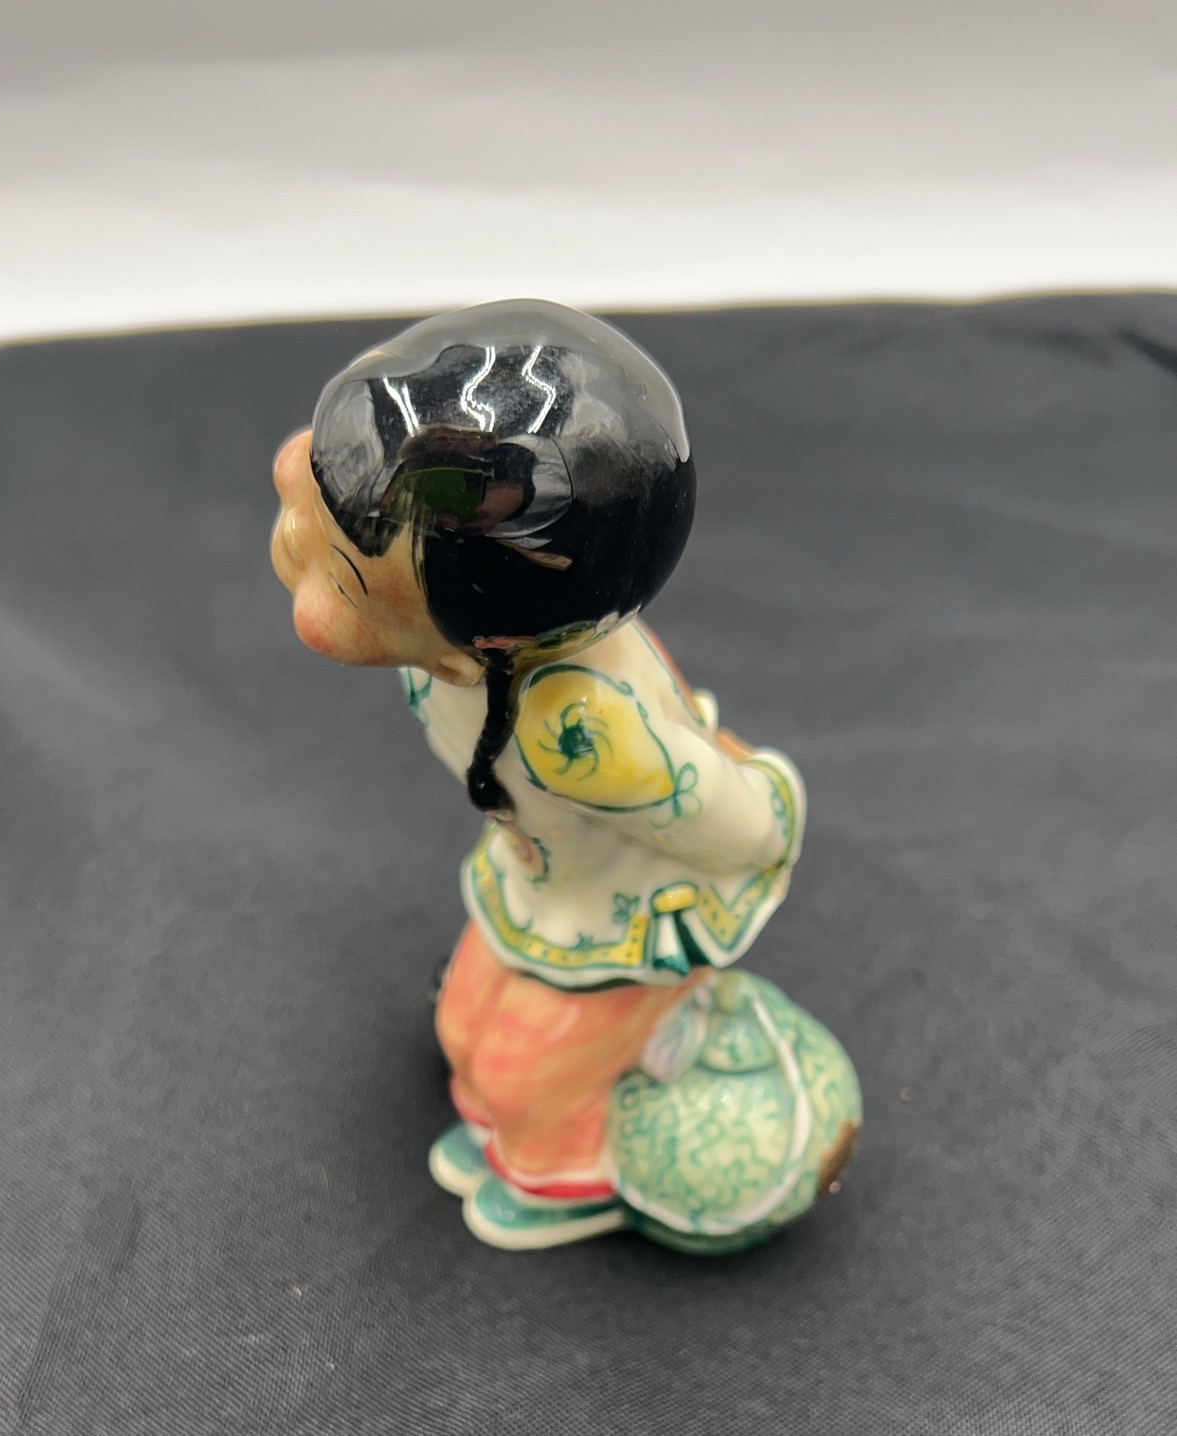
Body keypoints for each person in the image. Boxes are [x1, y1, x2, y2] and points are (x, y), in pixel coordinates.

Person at [271, 301, 859, 1251]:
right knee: (462, 1037)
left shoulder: (578, 730)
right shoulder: (455, 655)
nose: (295, 540)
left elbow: (726, 817)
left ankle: (568, 1164)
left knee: (518, 1078)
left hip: (620, 909)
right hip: (543, 877)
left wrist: (762, 820)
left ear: (486, 636)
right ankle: (522, 1116)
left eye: (342, 576)